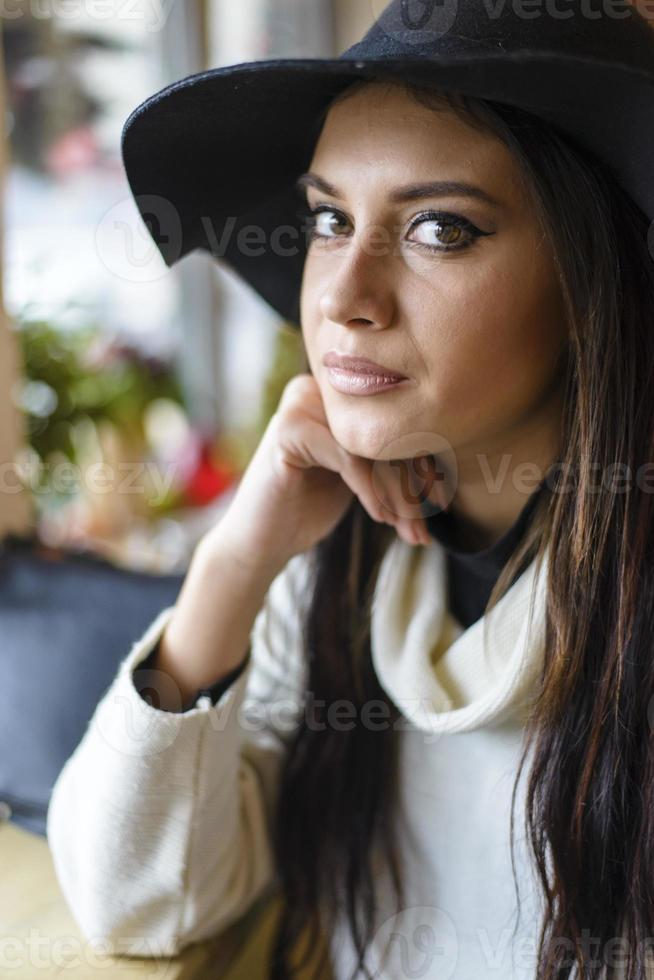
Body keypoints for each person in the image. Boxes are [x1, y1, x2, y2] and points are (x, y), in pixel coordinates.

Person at [46, 2, 654, 979]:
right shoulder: (338, 555)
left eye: (440, 228)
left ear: (594, 282)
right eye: (329, 218)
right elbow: (136, 899)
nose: (338, 294)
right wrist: (237, 562)